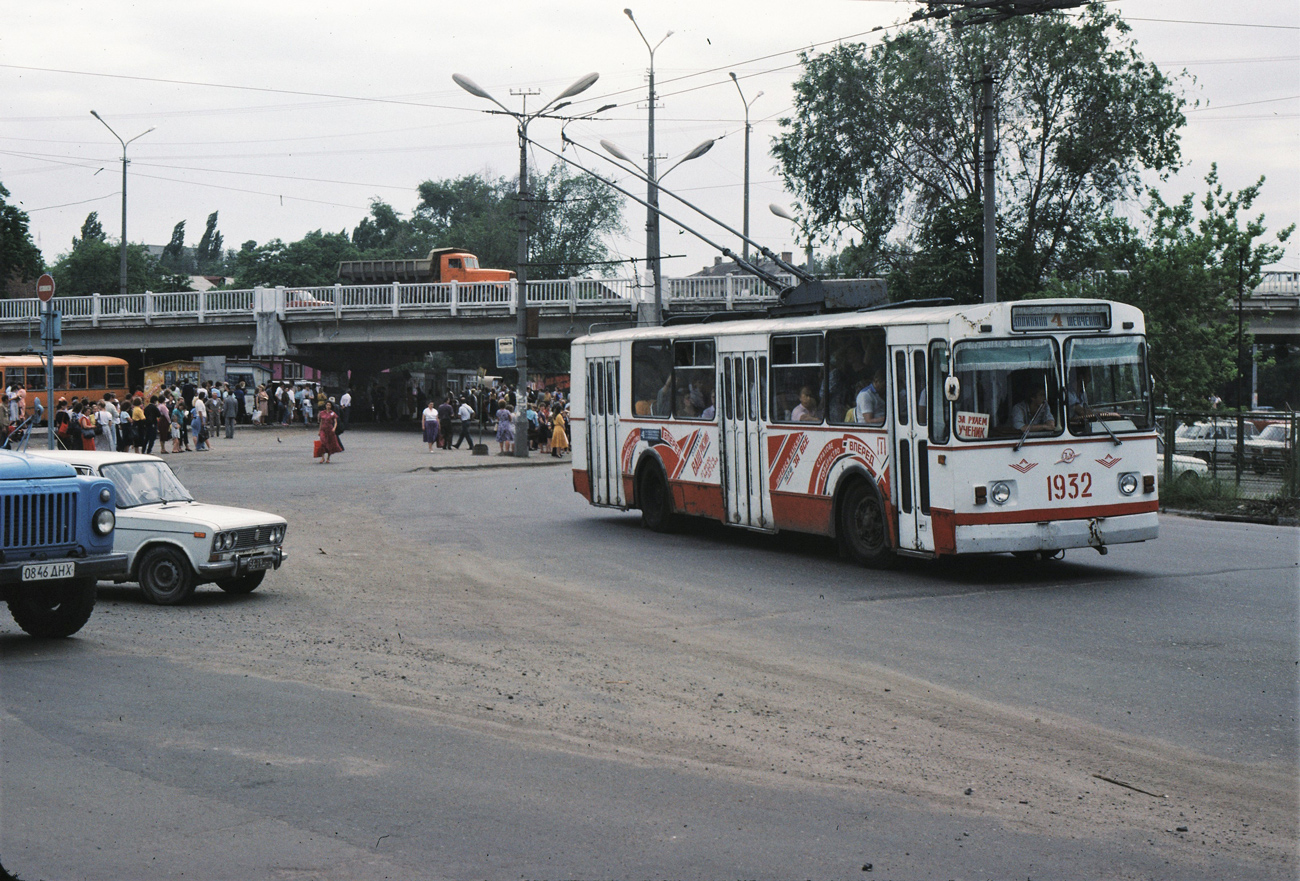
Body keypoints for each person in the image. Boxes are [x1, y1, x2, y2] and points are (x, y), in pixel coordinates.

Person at [316, 399, 343, 464]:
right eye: (327, 405)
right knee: (323, 443)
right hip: (323, 429)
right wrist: (319, 430)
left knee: (329, 444)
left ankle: (328, 458)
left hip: (330, 430)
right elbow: (321, 422)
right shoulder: (322, 413)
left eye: (329, 405)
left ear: (331, 406)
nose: (328, 406)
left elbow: (335, 422)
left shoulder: (333, 413)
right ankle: (322, 457)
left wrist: (334, 428)